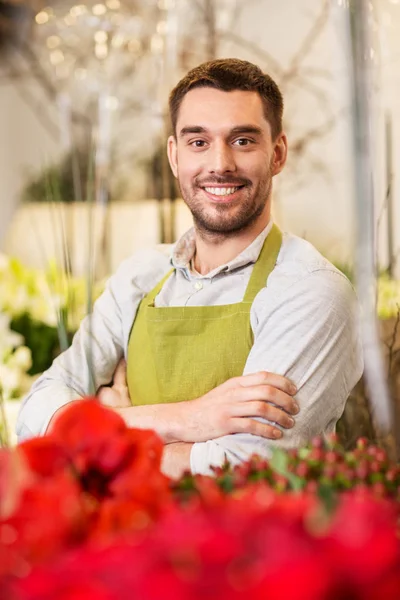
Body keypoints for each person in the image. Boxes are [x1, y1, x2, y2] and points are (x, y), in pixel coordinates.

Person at [17, 58, 363, 478]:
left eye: (242, 141)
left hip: (247, 541)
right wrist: (187, 418)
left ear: (277, 154)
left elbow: (248, 467)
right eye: (198, 142)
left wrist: (112, 429)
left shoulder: (310, 290)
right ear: (174, 156)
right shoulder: (139, 277)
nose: (220, 164)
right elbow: (35, 416)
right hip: (122, 536)